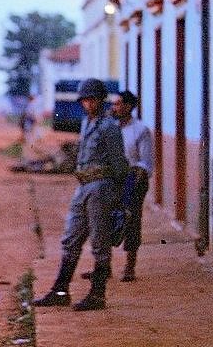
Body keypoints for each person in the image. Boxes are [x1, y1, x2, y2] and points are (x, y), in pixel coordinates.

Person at [33, 78, 129, 311]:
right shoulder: (86, 123)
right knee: (71, 238)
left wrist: (118, 200)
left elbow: (120, 167)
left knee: (99, 242)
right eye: (84, 100)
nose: (87, 104)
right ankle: (60, 290)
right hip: (83, 186)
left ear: (100, 100)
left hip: (100, 189)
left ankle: (97, 295)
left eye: (91, 99)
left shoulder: (109, 127)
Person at [112, 90, 152, 282]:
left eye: (118, 104)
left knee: (131, 220)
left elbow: (146, 162)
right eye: (114, 104)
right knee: (104, 220)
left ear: (128, 106)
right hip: (112, 179)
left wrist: (136, 175)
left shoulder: (141, 130)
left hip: (132, 180)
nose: (114, 107)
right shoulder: (110, 128)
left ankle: (130, 266)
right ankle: (103, 266)